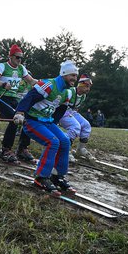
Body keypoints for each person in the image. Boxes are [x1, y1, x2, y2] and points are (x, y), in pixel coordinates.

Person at [13, 60, 79, 195]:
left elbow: (61, 108)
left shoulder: (69, 91)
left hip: (47, 122)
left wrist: (53, 123)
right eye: (72, 75)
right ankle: (41, 177)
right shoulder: (48, 85)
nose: (74, 79)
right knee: (52, 141)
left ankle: (57, 176)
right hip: (32, 121)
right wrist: (20, 113)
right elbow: (29, 97)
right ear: (64, 74)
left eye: (76, 76)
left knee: (65, 141)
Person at [0, 44, 38, 163]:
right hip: (2, 97)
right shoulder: (3, 66)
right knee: (14, 119)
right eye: (17, 57)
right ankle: (5, 150)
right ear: (10, 56)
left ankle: (22, 149)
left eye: (21, 58)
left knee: (27, 117)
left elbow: (31, 81)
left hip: (15, 99)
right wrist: (3, 84)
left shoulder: (21, 68)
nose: (19, 60)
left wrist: (44, 84)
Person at [58, 73, 94, 160]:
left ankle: (80, 149)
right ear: (81, 84)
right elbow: (58, 104)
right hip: (62, 112)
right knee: (75, 126)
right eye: (87, 86)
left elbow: (75, 108)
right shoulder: (70, 92)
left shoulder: (83, 96)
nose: (88, 89)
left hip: (71, 112)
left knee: (86, 125)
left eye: (89, 87)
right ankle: (64, 149)